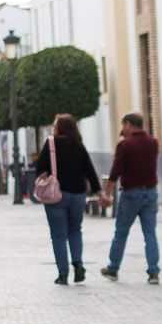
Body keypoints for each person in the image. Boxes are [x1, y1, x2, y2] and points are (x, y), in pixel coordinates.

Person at [34, 110, 102, 284]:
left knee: (58, 235)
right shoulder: (78, 144)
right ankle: (78, 264)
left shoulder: (51, 144)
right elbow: (89, 170)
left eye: (55, 124)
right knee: (75, 230)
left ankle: (63, 274)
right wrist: (98, 191)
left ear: (59, 127)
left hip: (56, 195)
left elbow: (39, 169)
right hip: (78, 194)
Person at [100, 111, 162, 284]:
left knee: (121, 232)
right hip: (150, 192)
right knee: (150, 234)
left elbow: (116, 171)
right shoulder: (153, 143)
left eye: (123, 125)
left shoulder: (125, 145)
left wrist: (106, 192)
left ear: (128, 124)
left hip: (131, 194)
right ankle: (153, 272)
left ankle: (113, 268)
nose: (122, 129)